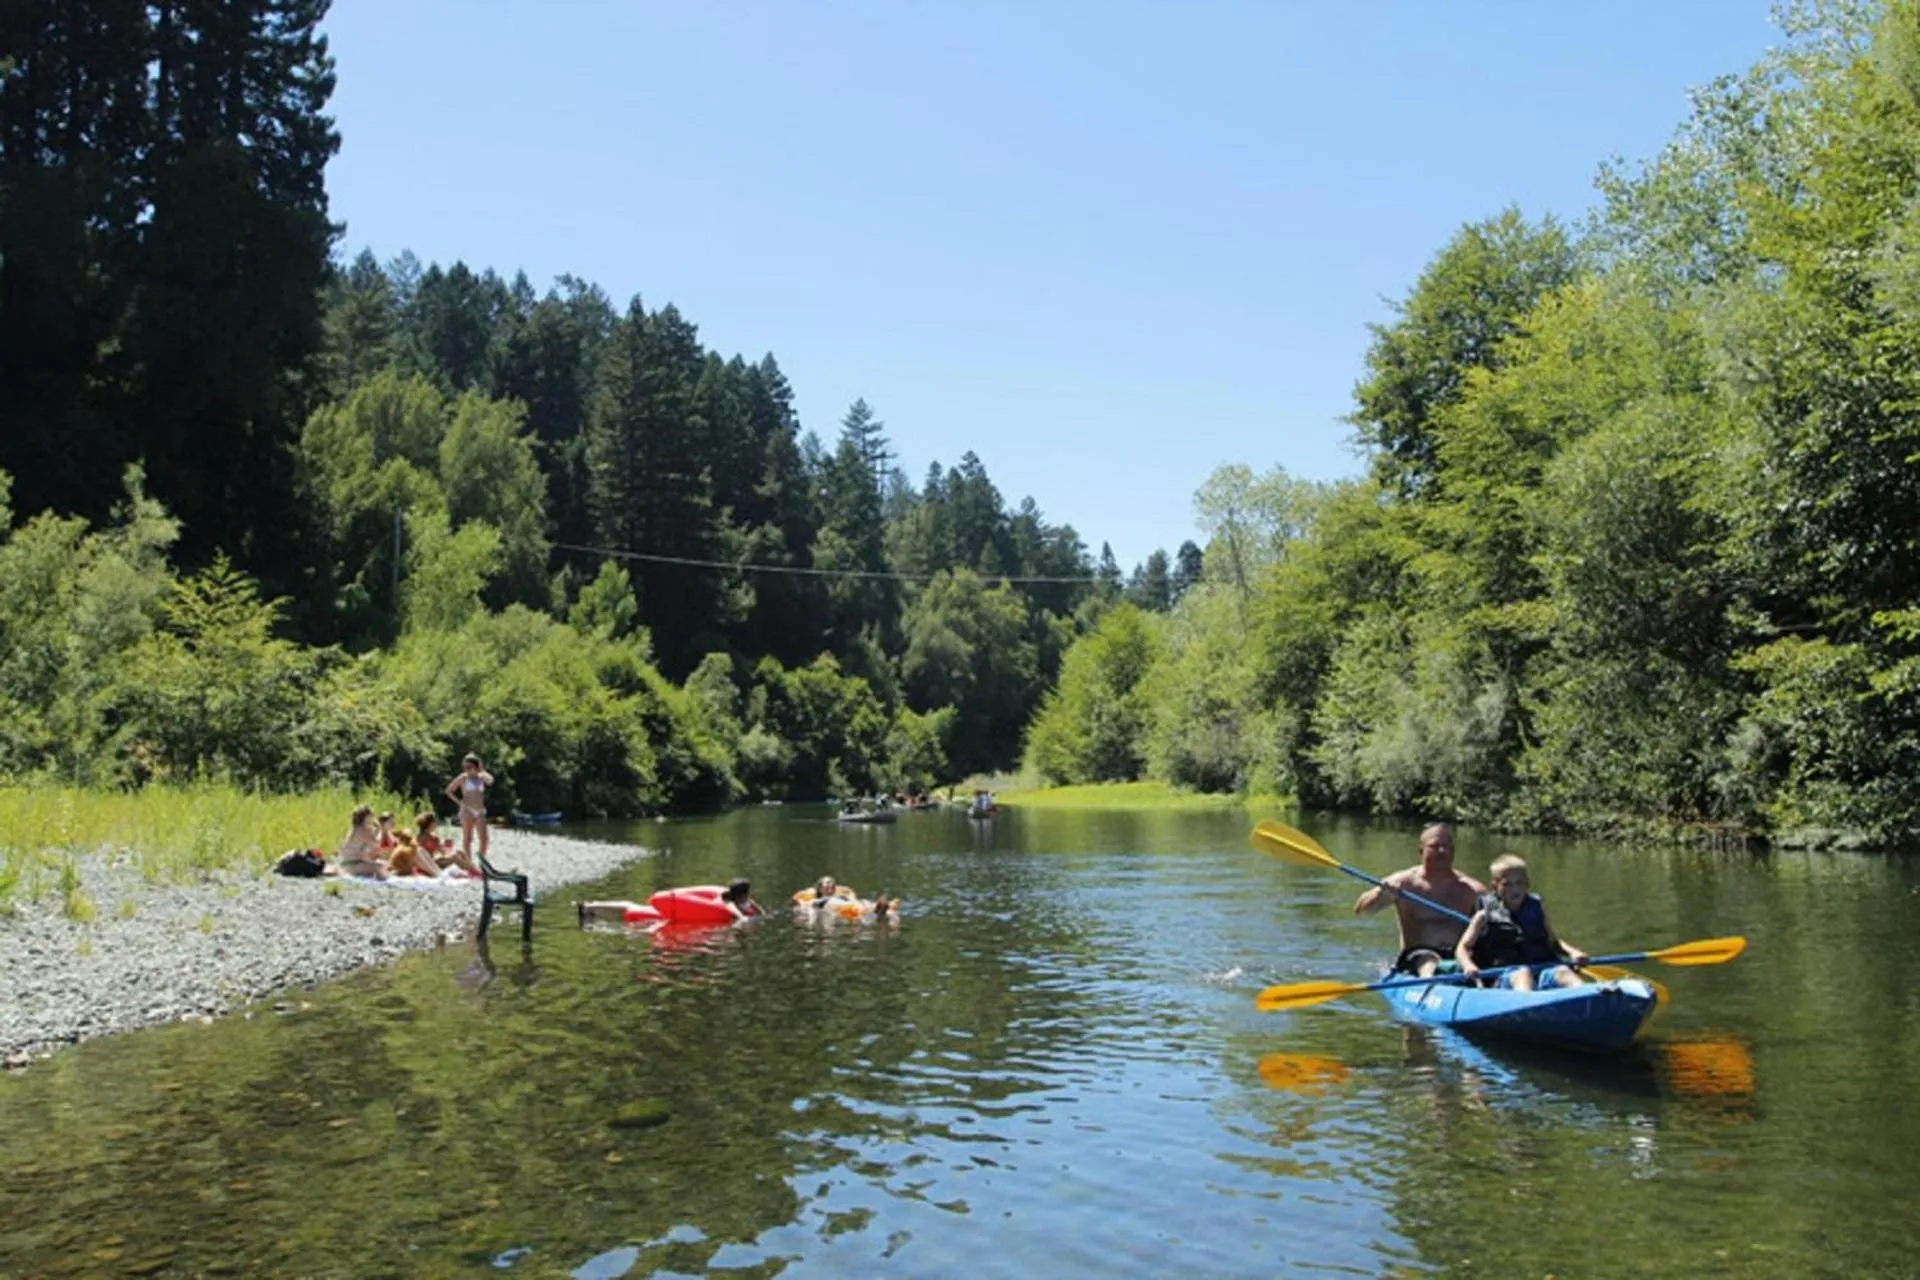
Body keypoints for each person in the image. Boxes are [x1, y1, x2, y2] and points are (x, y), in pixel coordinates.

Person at [1353, 822, 1484, 977]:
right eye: (1435, 846)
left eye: (1446, 846)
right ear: (1421, 851)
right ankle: (1429, 983)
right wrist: (1383, 894)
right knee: (1427, 960)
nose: (1442, 851)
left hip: (1458, 959)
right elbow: (1362, 910)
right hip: (1416, 959)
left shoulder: (1472, 890)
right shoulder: (1404, 883)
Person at [1455, 854, 1589, 991]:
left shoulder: (1537, 909)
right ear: (1495, 886)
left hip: (1540, 970)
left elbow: (1554, 943)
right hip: (1503, 977)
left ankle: (1586, 997)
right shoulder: (1483, 916)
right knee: (1522, 973)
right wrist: (1468, 965)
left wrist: (1573, 952)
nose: (1515, 890)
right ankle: (1528, 1006)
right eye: (1507, 884)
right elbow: (1462, 948)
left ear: (1527, 884)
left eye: (1520, 883)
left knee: (1562, 971)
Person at [444, 753, 494, 866]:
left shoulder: (482, 777)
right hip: (467, 810)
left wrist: (481, 770)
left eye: (470, 767)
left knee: (484, 839)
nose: (467, 769)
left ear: (476, 766)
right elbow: (449, 791)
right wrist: (460, 803)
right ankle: (469, 864)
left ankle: (482, 862)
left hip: (480, 810)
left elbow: (490, 781)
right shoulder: (463, 777)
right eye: (465, 767)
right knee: (468, 838)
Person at [335, 805, 388, 879]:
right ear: (365, 817)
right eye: (371, 815)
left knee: (383, 864)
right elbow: (376, 844)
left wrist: (378, 829)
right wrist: (380, 828)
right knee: (380, 867)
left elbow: (372, 839)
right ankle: (384, 885)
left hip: (350, 863)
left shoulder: (356, 828)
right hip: (351, 865)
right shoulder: (362, 830)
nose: (372, 818)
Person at [416, 811, 476, 876]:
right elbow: (442, 852)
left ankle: (472, 868)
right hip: (431, 863)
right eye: (435, 822)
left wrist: (448, 851)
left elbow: (442, 852)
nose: (436, 824)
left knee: (459, 852)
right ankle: (473, 870)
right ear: (430, 824)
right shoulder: (426, 838)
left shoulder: (428, 837)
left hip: (433, 861)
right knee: (455, 858)